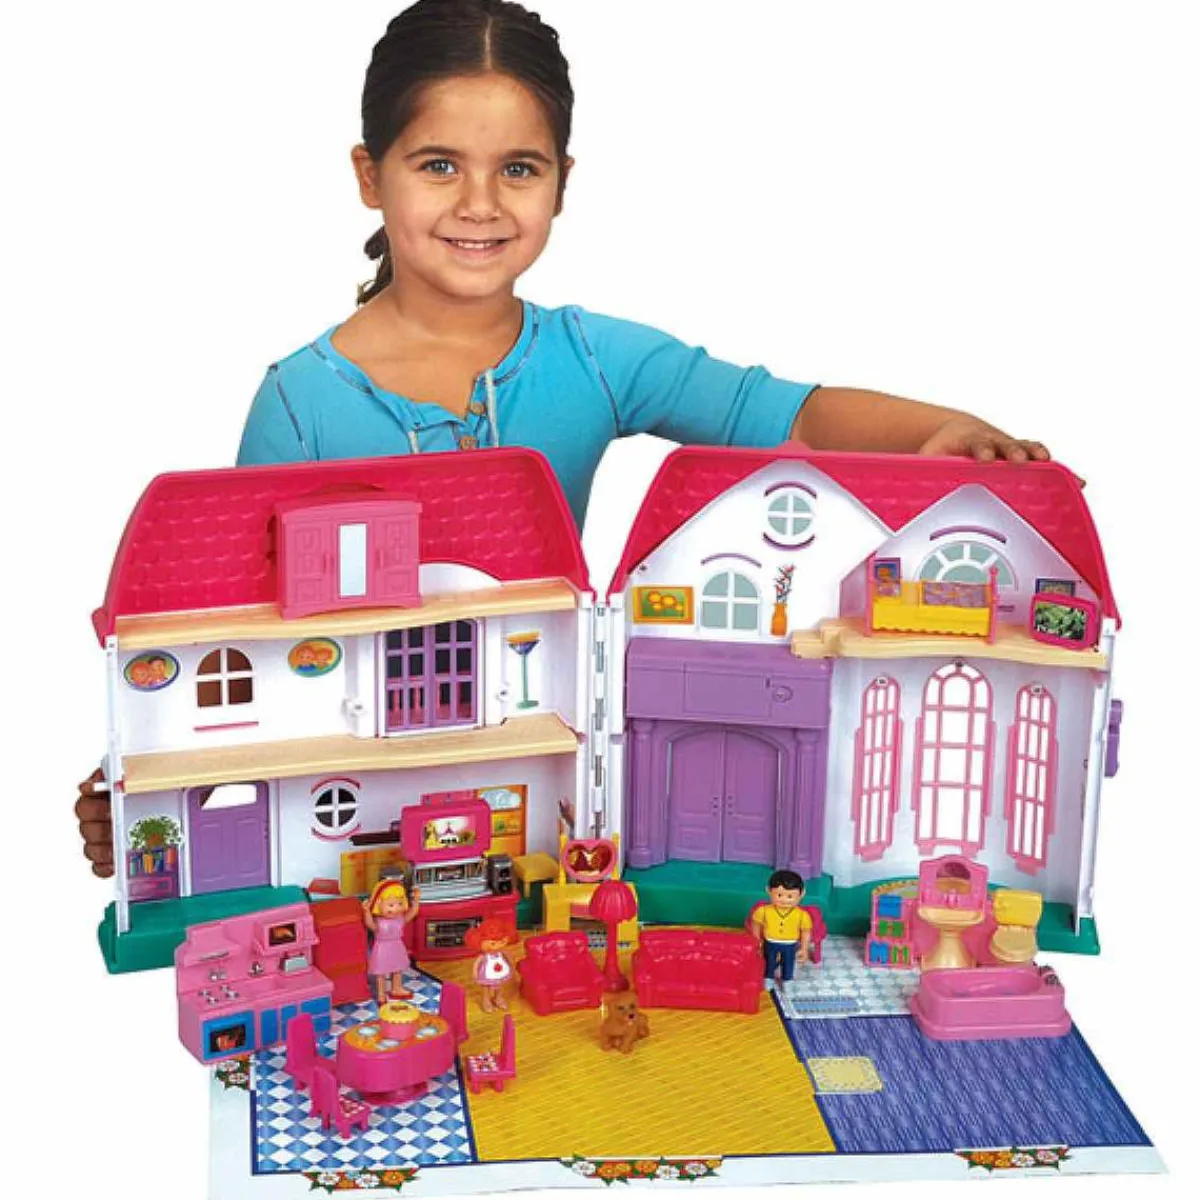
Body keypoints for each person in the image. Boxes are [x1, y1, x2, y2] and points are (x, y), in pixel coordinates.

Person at [75, 0, 1049, 875]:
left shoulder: (593, 359)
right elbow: (226, 625)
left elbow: (784, 412)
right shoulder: (299, 401)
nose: (480, 203)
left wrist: (936, 429)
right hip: (355, 768)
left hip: (542, 762)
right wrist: (147, 786)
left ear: (562, 183)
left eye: (519, 168)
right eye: (439, 164)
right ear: (371, 176)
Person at [362, 878, 421, 1005]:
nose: (396, 909)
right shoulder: (379, 921)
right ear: (378, 904)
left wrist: (416, 901)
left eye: (400, 904)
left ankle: (396, 988)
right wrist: (366, 911)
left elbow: (412, 914)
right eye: (391, 905)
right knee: (381, 973)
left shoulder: (400, 918)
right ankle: (381, 994)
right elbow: (370, 925)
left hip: (396, 945)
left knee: (398, 968)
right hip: (382, 948)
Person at [751, 870, 813, 984]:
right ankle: (768, 978)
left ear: (802, 894)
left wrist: (804, 948)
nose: (784, 900)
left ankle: (787, 980)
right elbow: (755, 924)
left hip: (790, 944)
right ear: (769, 891)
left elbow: (806, 932)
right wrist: (756, 940)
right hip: (770, 942)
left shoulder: (802, 915)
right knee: (769, 961)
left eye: (790, 896)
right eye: (779, 895)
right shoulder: (763, 911)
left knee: (788, 962)